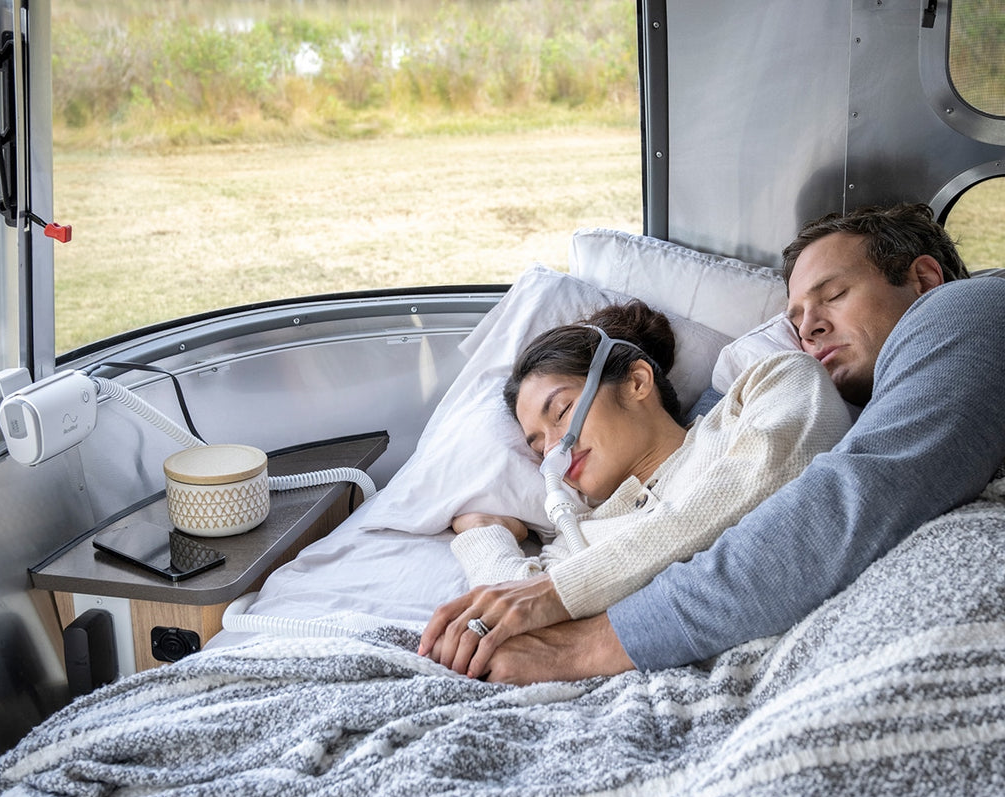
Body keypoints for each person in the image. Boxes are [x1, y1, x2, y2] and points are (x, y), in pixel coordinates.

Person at [422, 202, 1005, 684]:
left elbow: (853, 499)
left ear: (923, 279)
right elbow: (507, 613)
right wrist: (484, 531)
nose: (809, 328)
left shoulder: (968, 307)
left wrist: (580, 637)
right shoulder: (589, 525)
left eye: (833, 295)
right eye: (797, 319)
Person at [419, 298, 852, 675]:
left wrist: (559, 594)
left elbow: (766, 475)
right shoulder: (581, 535)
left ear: (637, 382)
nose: (554, 452)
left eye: (562, 411)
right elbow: (508, 621)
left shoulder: (761, 393)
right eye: (538, 446)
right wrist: (484, 529)